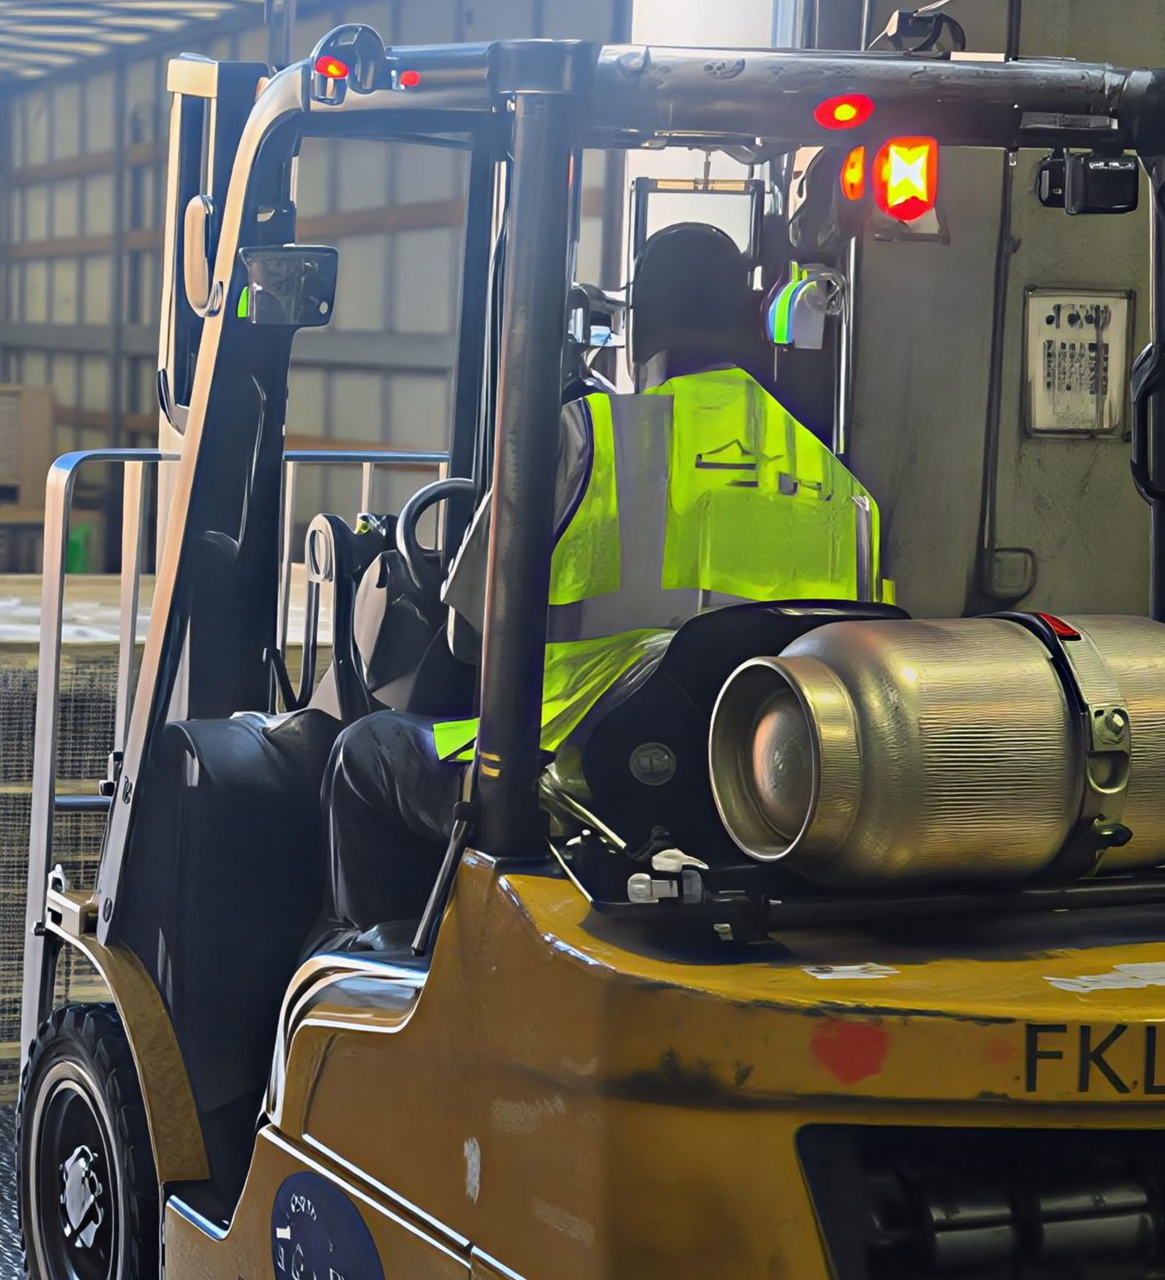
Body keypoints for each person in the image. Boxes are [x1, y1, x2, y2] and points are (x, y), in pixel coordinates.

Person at [318, 224, 883, 943]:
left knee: (364, 754)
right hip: (768, 790)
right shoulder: (840, 482)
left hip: (576, 771)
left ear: (637, 325)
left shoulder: (587, 434)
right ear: (747, 318)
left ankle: (389, 966)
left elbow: (467, 637)